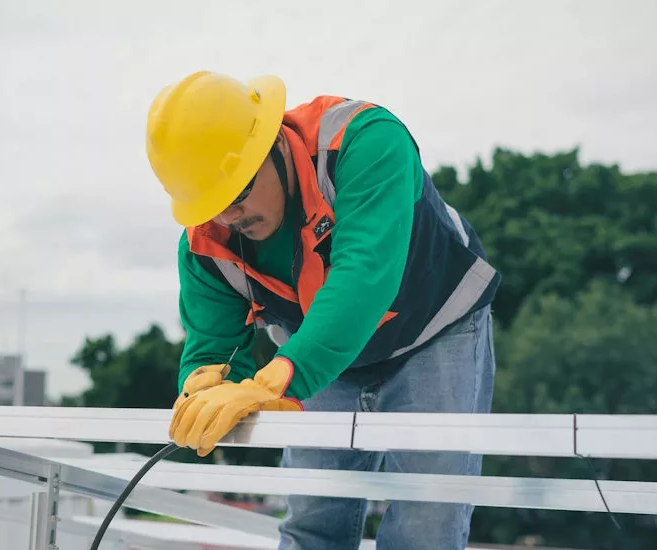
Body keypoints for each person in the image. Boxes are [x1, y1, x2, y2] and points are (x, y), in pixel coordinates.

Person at [145, 70, 500, 550]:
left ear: (272, 143)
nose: (230, 216)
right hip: (318, 355)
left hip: (433, 330)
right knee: (313, 519)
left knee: (427, 523)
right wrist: (207, 384)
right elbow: (214, 346)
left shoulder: (365, 143)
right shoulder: (205, 246)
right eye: (213, 203)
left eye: (240, 192)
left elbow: (362, 278)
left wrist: (277, 380)